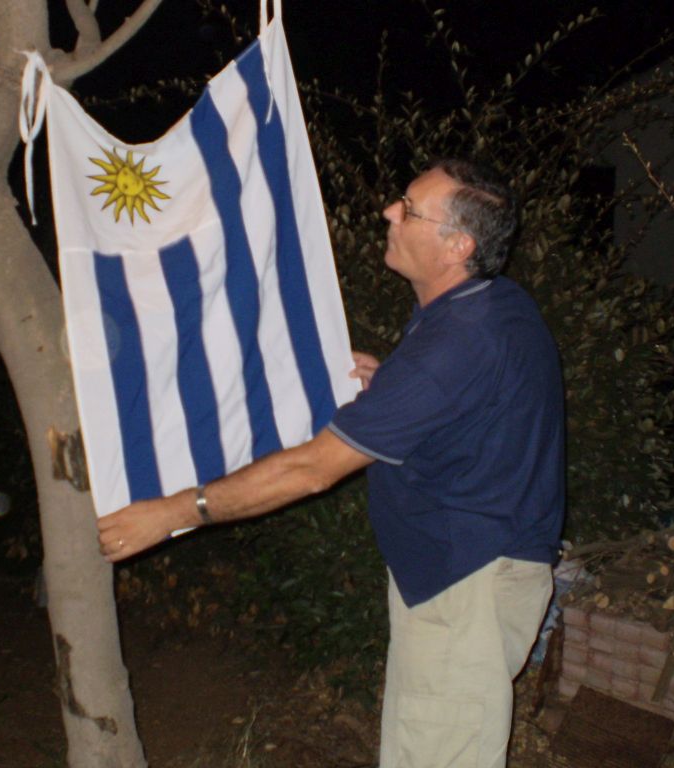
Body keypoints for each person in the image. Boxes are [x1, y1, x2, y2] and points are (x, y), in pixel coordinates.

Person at [97, 158, 565, 768]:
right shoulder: (494, 305)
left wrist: (173, 513)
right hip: (476, 570)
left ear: (458, 245)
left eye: (410, 209)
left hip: (465, 589)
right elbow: (473, 405)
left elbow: (312, 470)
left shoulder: (457, 344)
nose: (389, 212)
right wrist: (394, 383)